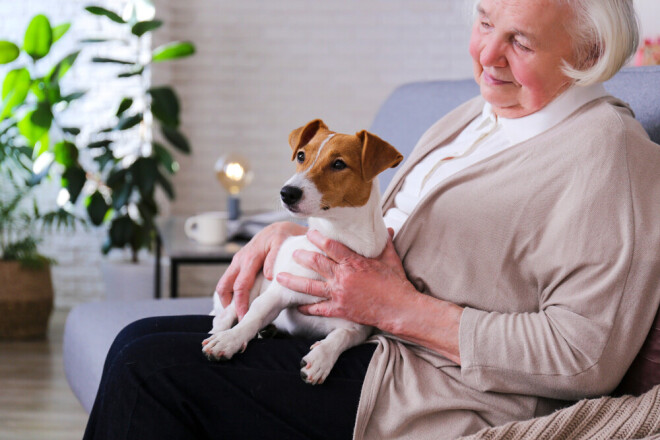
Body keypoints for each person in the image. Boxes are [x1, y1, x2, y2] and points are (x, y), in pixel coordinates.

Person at [83, 0, 660, 439]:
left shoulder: (608, 153)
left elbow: (587, 355)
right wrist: (300, 231)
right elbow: (383, 226)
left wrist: (398, 309)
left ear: (585, 56)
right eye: (485, 23)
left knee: (146, 368)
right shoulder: (481, 113)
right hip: (368, 343)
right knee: (138, 340)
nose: (486, 56)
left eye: (521, 43)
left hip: (432, 391)